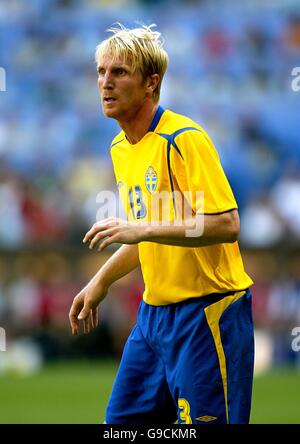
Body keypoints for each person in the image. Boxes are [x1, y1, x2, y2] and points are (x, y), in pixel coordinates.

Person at [69, 23, 254, 425]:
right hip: (153, 316)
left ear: (151, 83)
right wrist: (101, 281)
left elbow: (226, 224)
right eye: (101, 72)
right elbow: (152, 235)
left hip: (208, 312)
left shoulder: (184, 138)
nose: (105, 83)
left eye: (119, 73)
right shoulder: (121, 148)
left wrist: (143, 229)